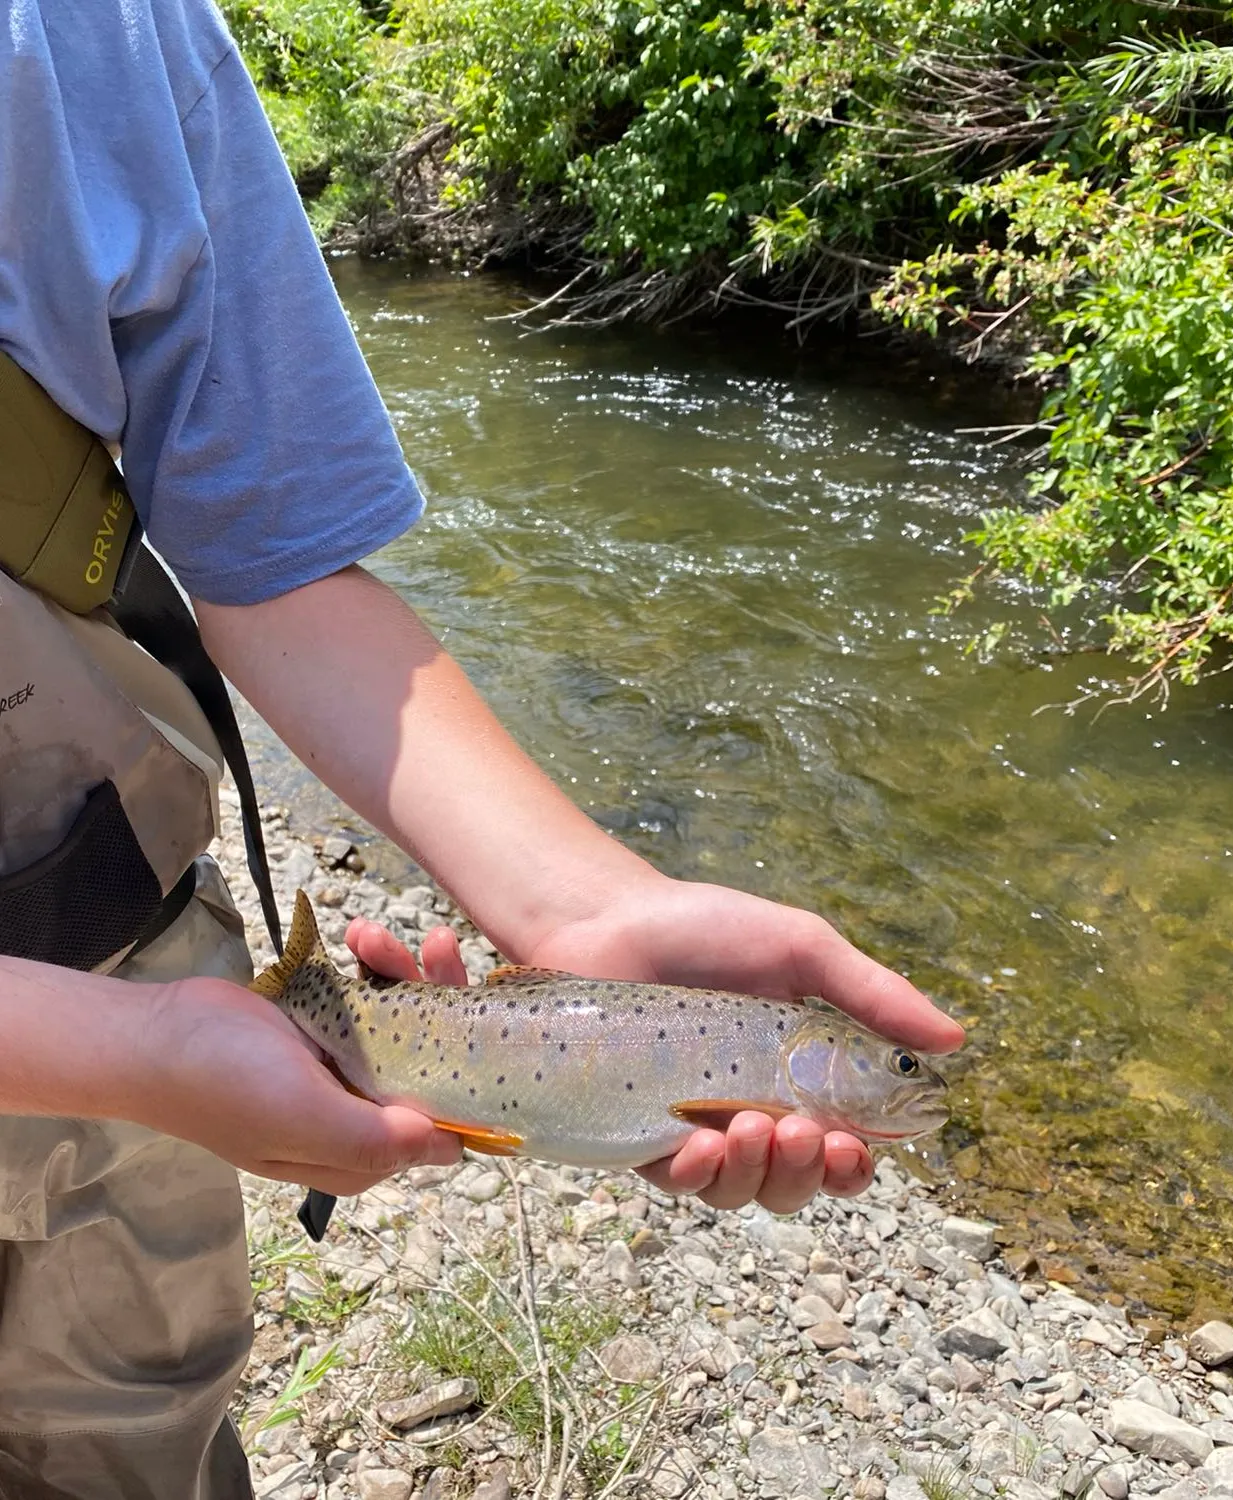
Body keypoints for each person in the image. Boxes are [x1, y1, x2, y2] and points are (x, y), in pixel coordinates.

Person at [0, 0, 963, 1494]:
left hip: (117, 953)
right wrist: (129, 1055)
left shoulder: (104, 30)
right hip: (137, 1034)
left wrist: (580, 905)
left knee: (137, 1445)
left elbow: (277, 560)